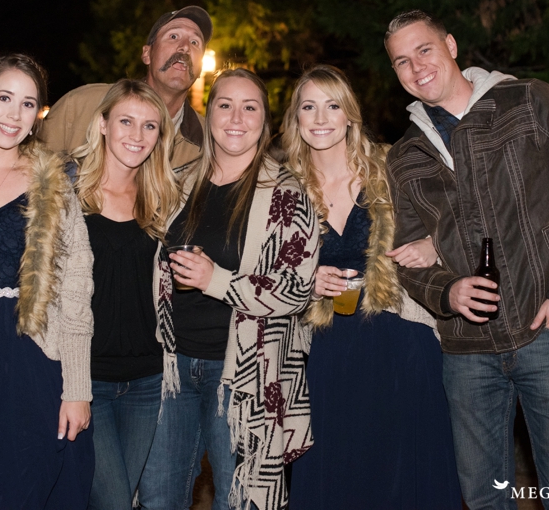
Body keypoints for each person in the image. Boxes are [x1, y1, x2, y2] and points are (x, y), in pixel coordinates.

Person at [385, 10, 549, 509]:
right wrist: (447, 291)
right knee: (484, 499)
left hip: (546, 330)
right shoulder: (405, 156)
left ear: (450, 45)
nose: (416, 67)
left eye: (424, 50)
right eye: (401, 61)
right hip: (466, 350)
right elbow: (407, 257)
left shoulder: (527, 102)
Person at [280, 65, 461, 509]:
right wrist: (305, 281)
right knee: (336, 469)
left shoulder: (392, 165)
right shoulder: (282, 188)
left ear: (350, 115)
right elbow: (266, 271)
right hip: (326, 349)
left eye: (332, 105)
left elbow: (463, 215)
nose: (320, 118)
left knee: (405, 470)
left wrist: (432, 244)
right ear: (296, 118)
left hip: (401, 337)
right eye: (308, 107)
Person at [138, 69, 319, 510]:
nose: (236, 118)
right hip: (171, 369)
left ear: (265, 121)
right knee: (157, 498)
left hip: (245, 375)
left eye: (249, 107)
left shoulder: (288, 195)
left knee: (239, 501)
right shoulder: (176, 183)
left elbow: (297, 289)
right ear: (209, 114)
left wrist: (214, 279)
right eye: (225, 105)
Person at [0, 53, 95, 509]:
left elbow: (75, 289)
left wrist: (77, 389)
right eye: (4, 98)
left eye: (28, 104)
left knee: (27, 483)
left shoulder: (54, 181)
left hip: (32, 356)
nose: (14, 114)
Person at [71, 79, 181, 509]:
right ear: (102, 124)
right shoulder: (67, 194)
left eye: (150, 126)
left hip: (146, 379)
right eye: (126, 122)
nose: (137, 135)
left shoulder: (165, 199)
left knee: (122, 499)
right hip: (86, 379)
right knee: (113, 501)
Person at [42, 6, 212, 167]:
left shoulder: (209, 144)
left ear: (200, 67)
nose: (185, 47)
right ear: (147, 54)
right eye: (173, 36)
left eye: (195, 42)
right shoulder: (81, 106)